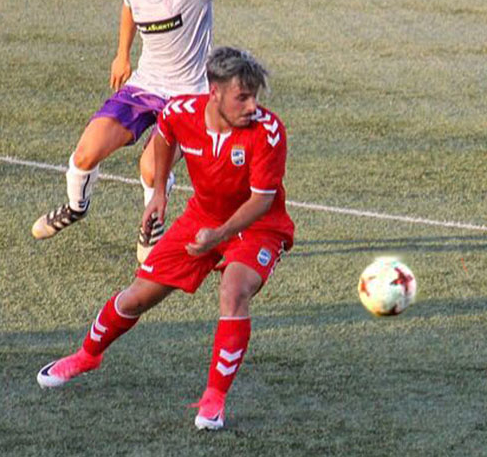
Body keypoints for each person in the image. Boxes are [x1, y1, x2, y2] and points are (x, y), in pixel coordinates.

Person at [36, 47, 294, 431]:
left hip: (258, 226)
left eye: (256, 95)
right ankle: (87, 355)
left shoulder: (268, 132)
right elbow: (164, 137)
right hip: (202, 217)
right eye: (243, 96)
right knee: (136, 296)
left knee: (234, 289)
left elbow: (262, 201)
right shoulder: (180, 112)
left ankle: (213, 399)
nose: (253, 105)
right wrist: (158, 191)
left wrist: (219, 236)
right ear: (215, 92)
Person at [31, 0, 262, 263]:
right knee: (85, 154)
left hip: (188, 98)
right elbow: (130, 6)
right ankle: (75, 207)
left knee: (152, 169)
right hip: (144, 87)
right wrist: (122, 55)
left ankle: (150, 225)